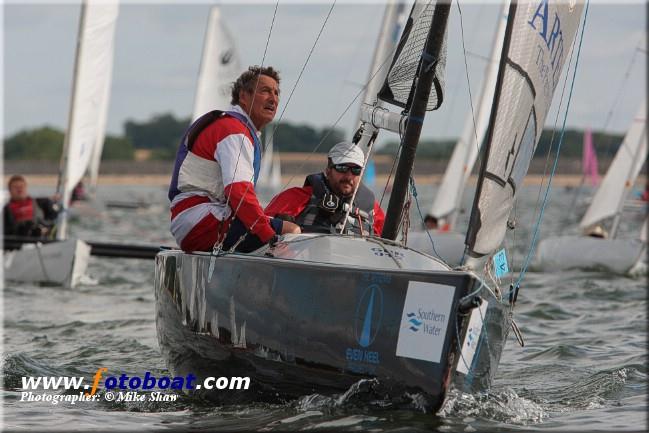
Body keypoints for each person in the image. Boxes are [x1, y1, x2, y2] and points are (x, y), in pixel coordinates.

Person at [168, 65, 300, 253]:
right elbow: (238, 192)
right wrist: (269, 236)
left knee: (277, 223)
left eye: (277, 93)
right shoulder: (234, 131)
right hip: (201, 222)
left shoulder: (233, 127)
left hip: (192, 220)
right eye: (265, 91)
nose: (274, 99)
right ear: (243, 97)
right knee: (291, 231)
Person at [265, 141, 385, 236]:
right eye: (342, 168)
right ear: (328, 170)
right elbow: (259, 226)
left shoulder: (373, 209)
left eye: (356, 170)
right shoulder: (296, 197)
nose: (349, 176)